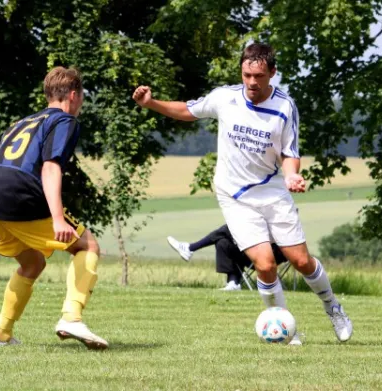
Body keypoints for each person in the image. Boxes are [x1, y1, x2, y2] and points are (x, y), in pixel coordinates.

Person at [133, 43, 352, 345]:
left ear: (272, 74)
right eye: (247, 74)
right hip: (234, 196)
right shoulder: (225, 98)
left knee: (301, 261)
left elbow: (289, 153)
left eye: (259, 75)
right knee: (264, 264)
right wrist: (151, 103)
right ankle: (287, 332)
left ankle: (333, 307)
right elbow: (187, 110)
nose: (251, 82)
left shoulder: (285, 107)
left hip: (272, 192)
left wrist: (292, 176)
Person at [0, 66, 108, 350]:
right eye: (82, 97)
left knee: (32, 262)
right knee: (88, 245)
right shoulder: (64, 121)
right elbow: (50, 167)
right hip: (19, 191)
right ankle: (71, 318)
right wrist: (59, 219)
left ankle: (1, 336)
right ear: (74, 95)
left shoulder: (23, 122)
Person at [166, 224, 288, 291]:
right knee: (223, 242)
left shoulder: (279, 218)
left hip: (270, 255)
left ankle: (190, 248)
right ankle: (233, 283)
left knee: (229, 229)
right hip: (253, 251)